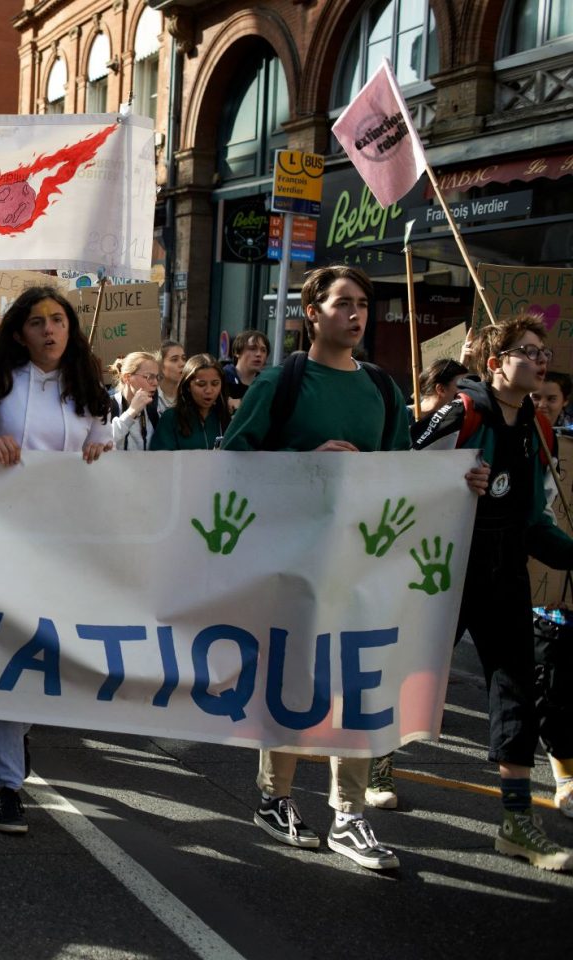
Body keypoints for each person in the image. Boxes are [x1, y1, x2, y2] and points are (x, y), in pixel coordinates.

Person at [221, 265, 422, 871]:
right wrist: (304, 459)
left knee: (356, 679)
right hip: (289, 559)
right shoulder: (281, 384)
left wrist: (458, 484)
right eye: (342, 303)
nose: (355, 315)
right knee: (292, 678)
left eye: (363, 303)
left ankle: (349, 815)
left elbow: (405, 473)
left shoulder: (384, 390)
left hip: (361, 560)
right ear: (311, 311)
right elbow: (231, 463)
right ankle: (274, 797)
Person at [0, 285, 114, 834]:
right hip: (3, 542)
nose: (50, 330)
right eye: (39, 321)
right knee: (9, 657)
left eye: (59, 320)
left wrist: (102, 449)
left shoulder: (88, 389)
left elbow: (110, 452)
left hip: (64, 546)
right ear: (20, 333)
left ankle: (18, 735)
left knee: (50, 656)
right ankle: (6, 785)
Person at [412, 313, 573, 870]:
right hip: (446, 565)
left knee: (514, 688)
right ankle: (375, 764)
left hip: (506, 570)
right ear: (495, 362)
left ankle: (515, 823)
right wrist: (451, 481)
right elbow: (399, 472)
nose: (539, 359)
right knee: (416, 669)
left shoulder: (540, 427)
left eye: (542, 351)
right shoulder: (464, 409)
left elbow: (534, 519)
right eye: (526, 350)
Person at [150, 354, 230, 450]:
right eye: (201, 384)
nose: (209, 390)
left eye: (215, 384)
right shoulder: (170, 418)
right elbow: (161, 459)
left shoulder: (226, 417)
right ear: (188, 386)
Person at [109, 351, 162, 451]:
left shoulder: (155, 408)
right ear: (127, 378)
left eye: (157, 377)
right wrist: (131, 412)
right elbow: (102, 441)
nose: (155, 383)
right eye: (149, 377)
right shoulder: (109, 406)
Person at [221, 330, 270, 404]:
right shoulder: (222, 378)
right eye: (253, 349)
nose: (259, 354)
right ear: (237, 352)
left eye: (263, 350)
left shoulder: (266, 385)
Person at [156, 340, 185, 413]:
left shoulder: (188, 395)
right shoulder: (151, 396)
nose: (182, 364)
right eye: (174, 360)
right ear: (160, 365)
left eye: (184, 358)